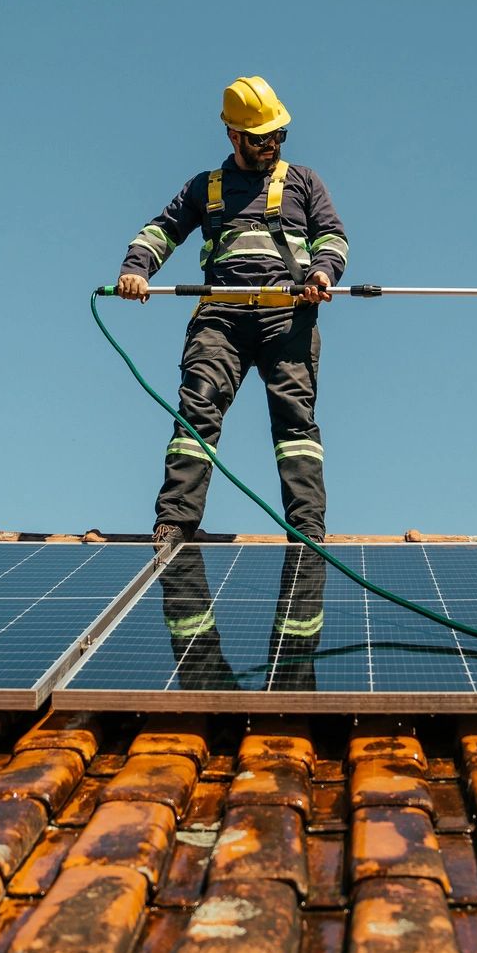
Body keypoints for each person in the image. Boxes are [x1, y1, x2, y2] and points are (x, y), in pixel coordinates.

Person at [117, 75, 348, 689]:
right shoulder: (206, 187)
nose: (271, 143)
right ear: (233, 134)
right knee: (198, 411)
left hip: (287, 313)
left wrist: (323, 271)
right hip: (219, 313)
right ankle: (176, 520)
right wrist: (135, 268)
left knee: (295, 424)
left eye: (277, 134)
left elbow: (333, 237)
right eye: (260, 136)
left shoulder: (304, 183)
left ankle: (308, 527)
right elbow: (161, 229)